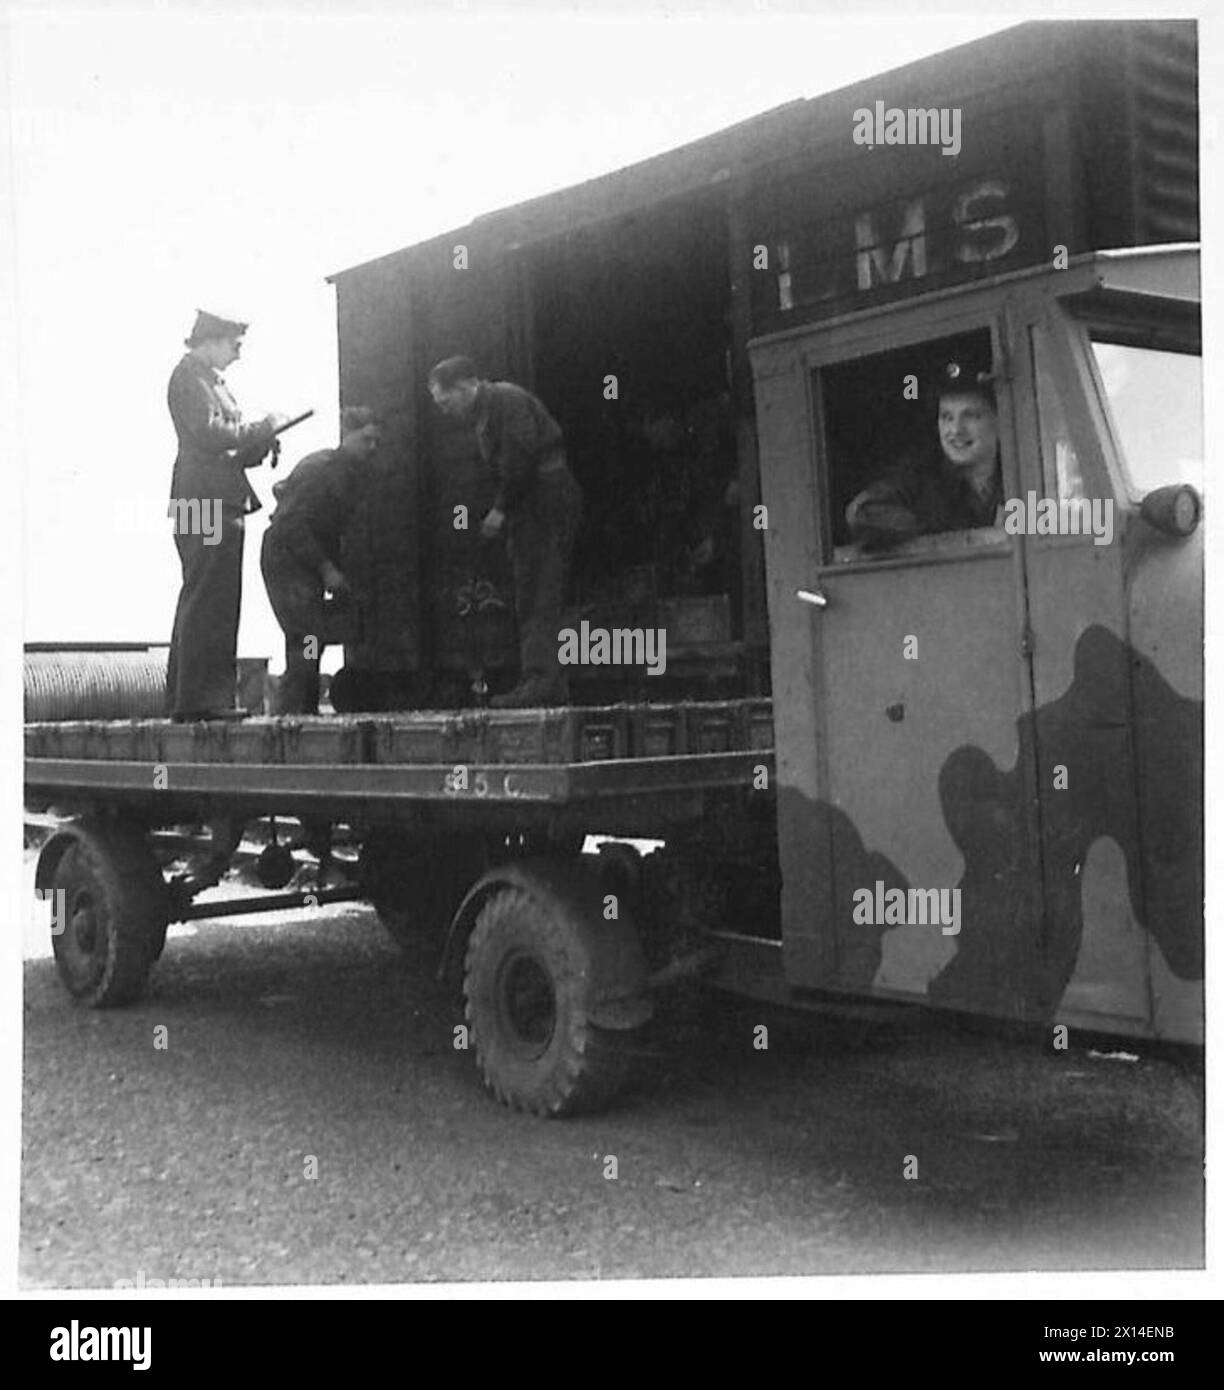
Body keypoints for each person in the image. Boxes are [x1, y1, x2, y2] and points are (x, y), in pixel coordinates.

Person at [428, 357, 583, 707]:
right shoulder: (485, 411)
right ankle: (546, 681)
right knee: (533, 588)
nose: (445, 410)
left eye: (446, 401)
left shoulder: (506, 401)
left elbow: (519, 457)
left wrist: (499, 509)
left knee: (539, 589)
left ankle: (541, 683)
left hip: (543, 497)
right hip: (533, 502)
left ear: (467, 385)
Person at [166, 310, 286, 721]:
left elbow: (219, 445)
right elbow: (210, 433)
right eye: (234, 345)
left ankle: (189, 700)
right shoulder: (191, 378)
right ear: (212, 340)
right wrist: (262, 427)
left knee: (201, 593)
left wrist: (259, 441)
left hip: (203, 497)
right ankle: (204, 702)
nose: (238, 353)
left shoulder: (205, 381)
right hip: (207, 501)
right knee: (211, 595)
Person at [260, 407, 383, 714]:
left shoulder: (352, 474)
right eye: (366, 439)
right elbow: (292, 525)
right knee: (306, 637)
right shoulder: (320, 469)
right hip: (287, 557)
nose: (372, 448)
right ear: (347, 435)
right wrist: (326, 568)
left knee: (309, 638)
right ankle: (295, 712)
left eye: (376, 442)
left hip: (307, 560)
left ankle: (301, 708)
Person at [846, 361, 1003, 549]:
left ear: (1000, 420)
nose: (956, 430)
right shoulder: (920, 477)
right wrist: (927, 527)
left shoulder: (1028, 467)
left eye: (971, 416)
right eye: (946, 417)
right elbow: (862, 512)